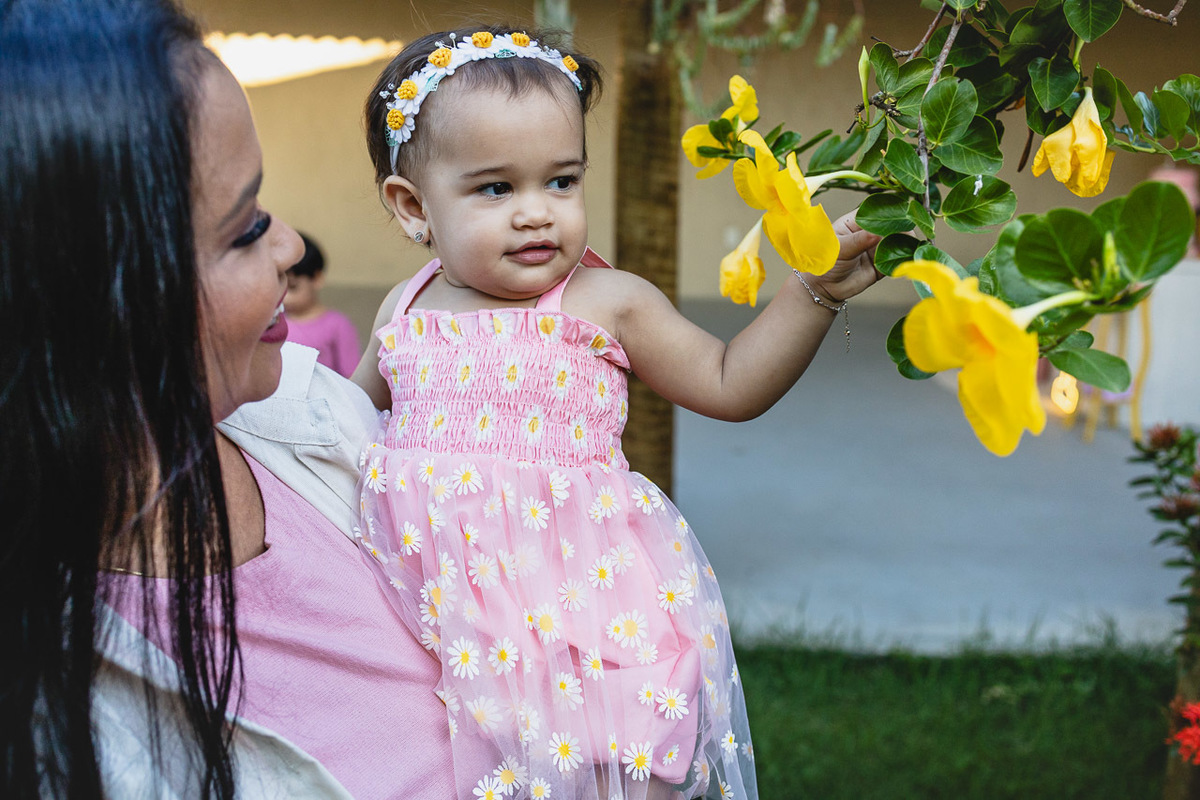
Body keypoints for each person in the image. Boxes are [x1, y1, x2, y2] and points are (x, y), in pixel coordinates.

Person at [351, 26, 881, 799]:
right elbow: (339, 425)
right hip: (443, 629)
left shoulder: (607, 302)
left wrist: (814, 291)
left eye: (560, 182)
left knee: (623, 781)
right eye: (496, 189)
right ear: (412, 207)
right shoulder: (403, 314)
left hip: (588, 623)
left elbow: (730, 381)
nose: (538, 213)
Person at [2, 1, 452, 796]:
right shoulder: (54, 734)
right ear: (83, 310)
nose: (288, 246)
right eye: (245, 229)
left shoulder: (329, 422)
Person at [284, 232, 363, 377]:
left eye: (293, 287)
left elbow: (352, 376)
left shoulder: (337, 325)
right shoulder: (274, 322)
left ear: (317, 278)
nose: (285, 297)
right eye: (279, 287)